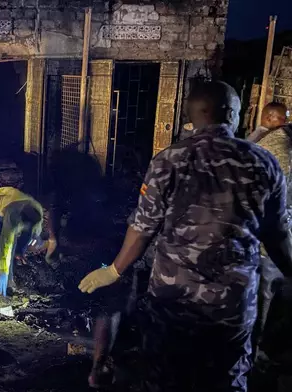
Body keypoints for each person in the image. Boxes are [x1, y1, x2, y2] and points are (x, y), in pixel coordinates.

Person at [78, 80, 292, 392]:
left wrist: (114, 270)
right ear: (234, 114)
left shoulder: (169, 160)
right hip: (231, 308)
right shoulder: (263, 162)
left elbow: (143, 228)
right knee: (226, 381)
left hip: (173, 305)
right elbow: (279, 234)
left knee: (165, 379)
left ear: (193, 116)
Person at [246, 102, 291, 347]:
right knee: (265, 293)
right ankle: (257, 347)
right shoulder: (279, 146)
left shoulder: (259, 142)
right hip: (267, 240)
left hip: (253, 237)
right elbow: (278, 207)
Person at [0, 187, 44, 296]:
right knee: (10, 245)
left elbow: (34, 229)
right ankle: (5, 279)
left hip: (14, 199)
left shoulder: (37, 210)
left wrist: (35, 239)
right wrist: (4, 272)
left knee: (26, 233)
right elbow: (6, 245)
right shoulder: (12, 215)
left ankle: (19, 253)